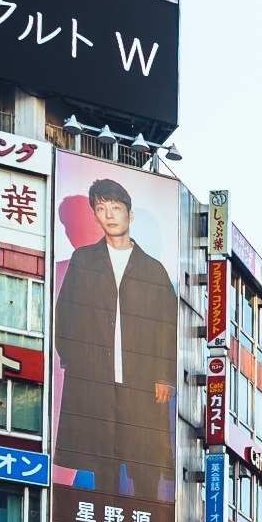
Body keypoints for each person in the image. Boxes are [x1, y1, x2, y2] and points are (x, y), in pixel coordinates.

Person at [53, 175, 180, 495]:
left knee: (145, 458)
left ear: (129, 215)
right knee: (101, 456)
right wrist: (74, 361)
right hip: (95, 376)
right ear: (94, 216)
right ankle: (102, 515)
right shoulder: (83, 261)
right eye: (101, 208)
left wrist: (165, 374)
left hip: (143, 378)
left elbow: (168, 325)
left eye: (116, 207)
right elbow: (64, 315)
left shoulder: (154, 270)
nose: (109, 214)